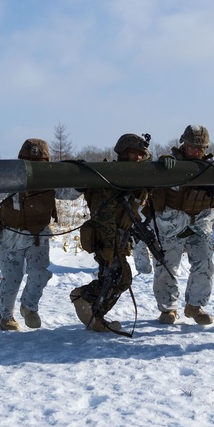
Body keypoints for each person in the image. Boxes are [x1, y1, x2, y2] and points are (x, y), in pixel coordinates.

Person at [0, 138, 77, 331]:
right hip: (9, 236)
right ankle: (5, 315)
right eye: (28, 160)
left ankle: (29, 307)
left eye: (39, 162)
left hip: (38, 236)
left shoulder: (51, 179)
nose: (33, 166)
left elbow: (68, 192)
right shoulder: (10, 177)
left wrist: (81, 177)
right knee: (13, 278)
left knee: (40, 273)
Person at [69, 133, 150, 333]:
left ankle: (96, 314)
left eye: (141, 154)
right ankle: (84, 297)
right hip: (105, 238)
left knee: (114, 278)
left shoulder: (138, 179)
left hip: (120, 238)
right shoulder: (106, 176)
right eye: (133, 153)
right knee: (120, 278)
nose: (137, 158)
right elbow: (102, 212)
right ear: (122, 153)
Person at [151, 125, 214, 325]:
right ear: (183, 144)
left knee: (205, 265)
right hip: (171, 228)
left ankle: (195, 306)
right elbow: (149, 173)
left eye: (201, 148)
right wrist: (161, 164)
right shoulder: (169, 165)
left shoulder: (210, 167)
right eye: (192, 147)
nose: (196, 151)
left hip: (199, 227)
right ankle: (168, 309)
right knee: (166, 268)